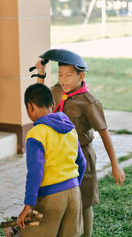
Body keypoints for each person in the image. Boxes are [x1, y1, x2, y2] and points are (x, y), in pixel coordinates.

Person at [35, 50, 126, 237]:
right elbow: (38, 99)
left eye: (68, 75)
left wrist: (115, 165)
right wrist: (41, 74)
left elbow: (104, 133)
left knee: (84, 202)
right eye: (60, 74)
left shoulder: (89, 102)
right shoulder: (57, 91)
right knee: (62, 199)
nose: (63, 79)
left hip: (82, 156)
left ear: (81, 76)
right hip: (59, 157)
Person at [16, 83, 87, 237]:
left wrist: (28, 205)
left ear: (30, 107)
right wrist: (73, 186)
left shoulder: (36, 134)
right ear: (53, 104)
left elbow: (35, 172)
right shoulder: (70, 129)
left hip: (51, 198)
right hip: (74, 193)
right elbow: (82, 163)